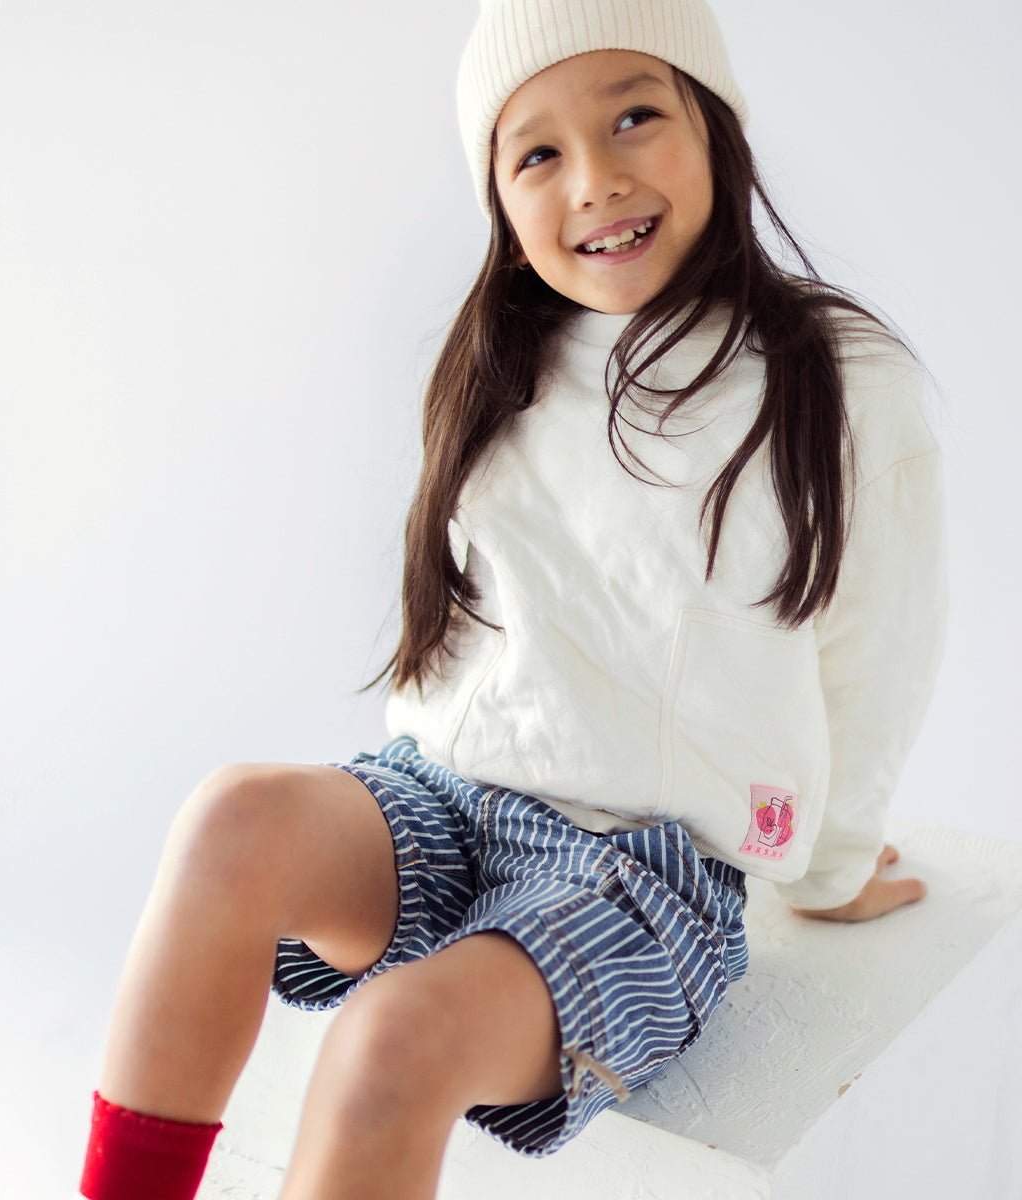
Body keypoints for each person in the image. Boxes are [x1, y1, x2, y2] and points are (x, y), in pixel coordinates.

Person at [78, 1, 945, 1197]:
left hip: (641, 872)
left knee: (387, 1042)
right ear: (498, 196)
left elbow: (879, 652)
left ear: (718, 128)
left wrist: (835, 869)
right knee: (231, 818)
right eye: (537, 152)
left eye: (636, 114)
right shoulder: (500, 360)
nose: (595, 179)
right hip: (437, 803)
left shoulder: (832, 379)